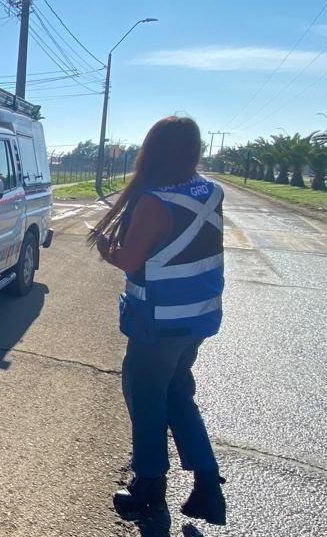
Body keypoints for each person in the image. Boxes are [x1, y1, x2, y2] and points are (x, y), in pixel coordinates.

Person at [89, 116, 227, 525]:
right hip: (198, 320)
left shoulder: (153, 201)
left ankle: (148, 487)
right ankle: (207, 485)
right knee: (179, 395)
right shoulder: (211, 191)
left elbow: (130, 261)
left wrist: (104, 247)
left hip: (158, 323)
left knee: (147, 400)